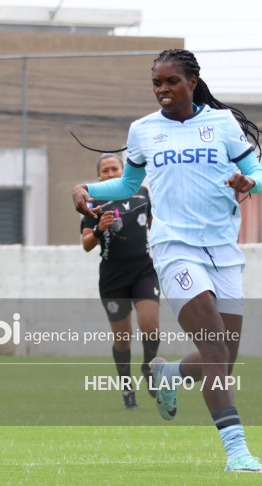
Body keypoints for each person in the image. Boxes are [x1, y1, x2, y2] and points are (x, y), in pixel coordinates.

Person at [72, 49, 262, 473]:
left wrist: (248, 179)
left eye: (171, 81)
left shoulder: (221, 124)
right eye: (157, 83)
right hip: (174, 248)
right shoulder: (143, 130)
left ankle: (171, 374)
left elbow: (260, 175)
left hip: (223, 252)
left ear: (192, 82)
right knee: (215, 349)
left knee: (222, 359)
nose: (163, 89)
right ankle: (238, 452)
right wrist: (85, 188)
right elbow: (127, 182)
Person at [80, 153, 160, 410]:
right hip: (113, 276)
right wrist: (98, 229)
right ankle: (127, 388)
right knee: (123, 339)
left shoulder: (142, 193)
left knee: (151, 326)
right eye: (105, 171)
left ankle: (149, 368)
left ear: (124, 171)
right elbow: (86, 245)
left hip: (142, 269)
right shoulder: (94, 202)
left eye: (115, 168)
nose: (111, 174)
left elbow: (152, 225)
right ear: (99, 177)